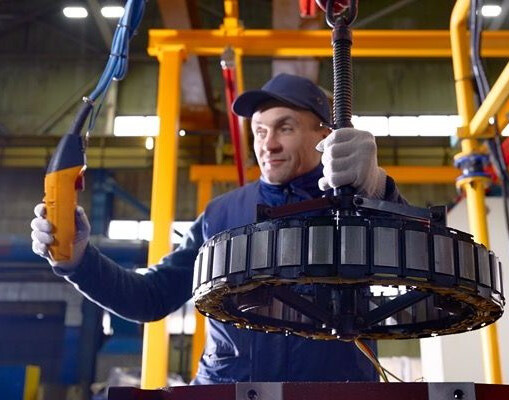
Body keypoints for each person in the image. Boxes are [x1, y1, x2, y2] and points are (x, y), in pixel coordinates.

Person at [31, 73, 406, 384]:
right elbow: (150, 298)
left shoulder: (356, 206)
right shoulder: (222, 215)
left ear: (323, 135)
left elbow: (424, 257)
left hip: (331, 394)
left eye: (285, 128)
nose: (269, 144)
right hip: (227, 392)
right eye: (259, 131)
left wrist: (379, 190)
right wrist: (79, 260)